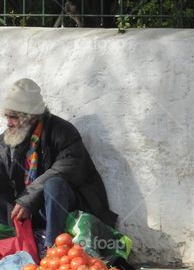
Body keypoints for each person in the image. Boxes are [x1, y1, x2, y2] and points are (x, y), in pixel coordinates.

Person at [0, 78, 117, 254]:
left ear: (30, 117)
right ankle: (14, 242)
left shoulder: (63, 132)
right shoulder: (8, 139)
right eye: (7, 117)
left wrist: (28, 199)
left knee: (53, 184)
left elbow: (66, 169)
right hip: (26, 211)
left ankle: (53, 250)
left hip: (62, 207)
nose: (8, 123)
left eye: (14, 117)